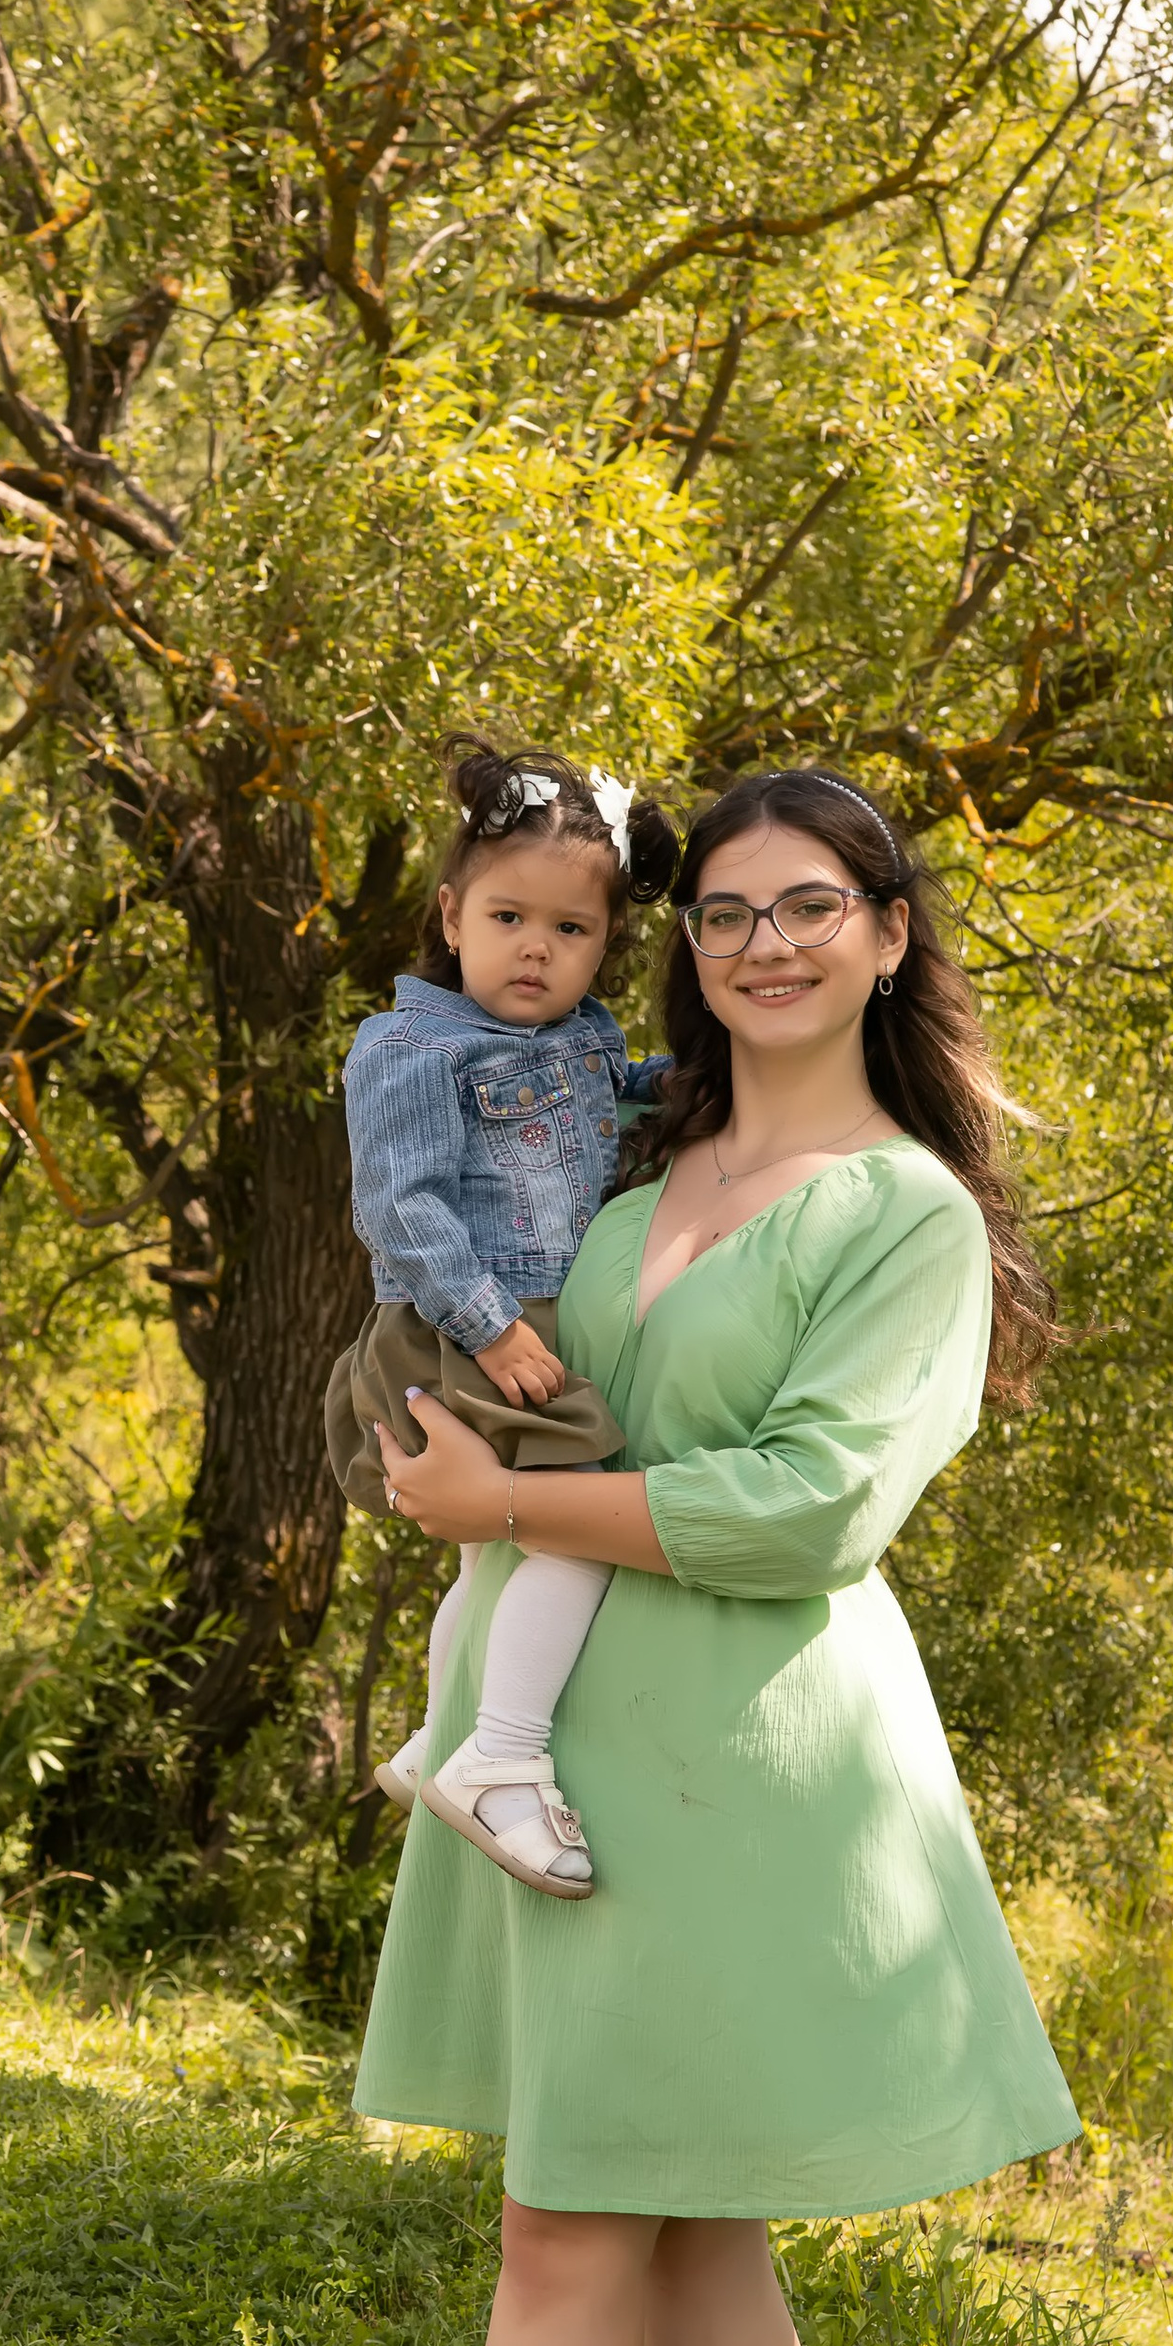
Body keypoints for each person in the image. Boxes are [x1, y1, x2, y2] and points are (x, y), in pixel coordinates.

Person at [287, 762, 1082, 2346]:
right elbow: (516, 1382)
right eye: (722, 910)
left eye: (805, 903)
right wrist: (448, 1459)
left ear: (882, 933)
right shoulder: (637, 1181)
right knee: (678, 2206)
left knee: (570, 2223)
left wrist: (505, 1498)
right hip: (556, 1762)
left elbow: (808, 1504)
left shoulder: (901, 1209)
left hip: (741, 1771)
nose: (762, 941)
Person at [326, 739, 680, 1896]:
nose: (536, 948)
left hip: (516, 1319)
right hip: (460, 1320)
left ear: (605, 943)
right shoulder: (410, 1046)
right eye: (508, 917)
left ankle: (439, 1737)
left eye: (570, 931)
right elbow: (400, 1205)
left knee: (489, 1559)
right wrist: (490, 1327)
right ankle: (503, 1755)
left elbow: (607, 1097)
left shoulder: (572, 1038)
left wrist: (692, 1081)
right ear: (450, 913)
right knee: (584, 1518)